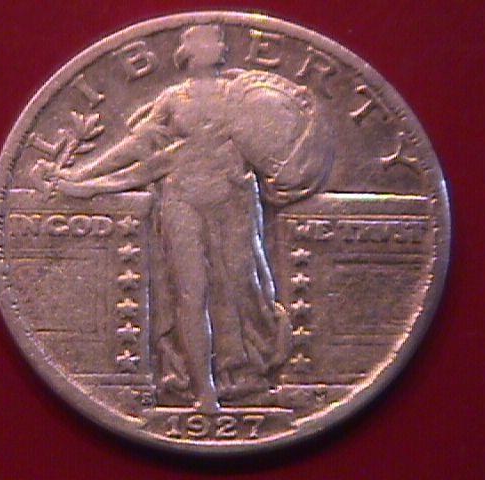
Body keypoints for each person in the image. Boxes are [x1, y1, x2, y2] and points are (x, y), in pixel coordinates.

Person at [37, 25, 333, 412]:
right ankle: (203, 389)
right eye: (210, 40)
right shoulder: (173, 98)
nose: (220, 45)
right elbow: (138, 146)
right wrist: (83, 177)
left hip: (234, 202)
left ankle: (241, 376)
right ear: (189, 51)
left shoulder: (241, 93)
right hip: (182, 201)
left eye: (220, 40)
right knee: (191, 293)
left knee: (244, 289)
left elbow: (276, 138)